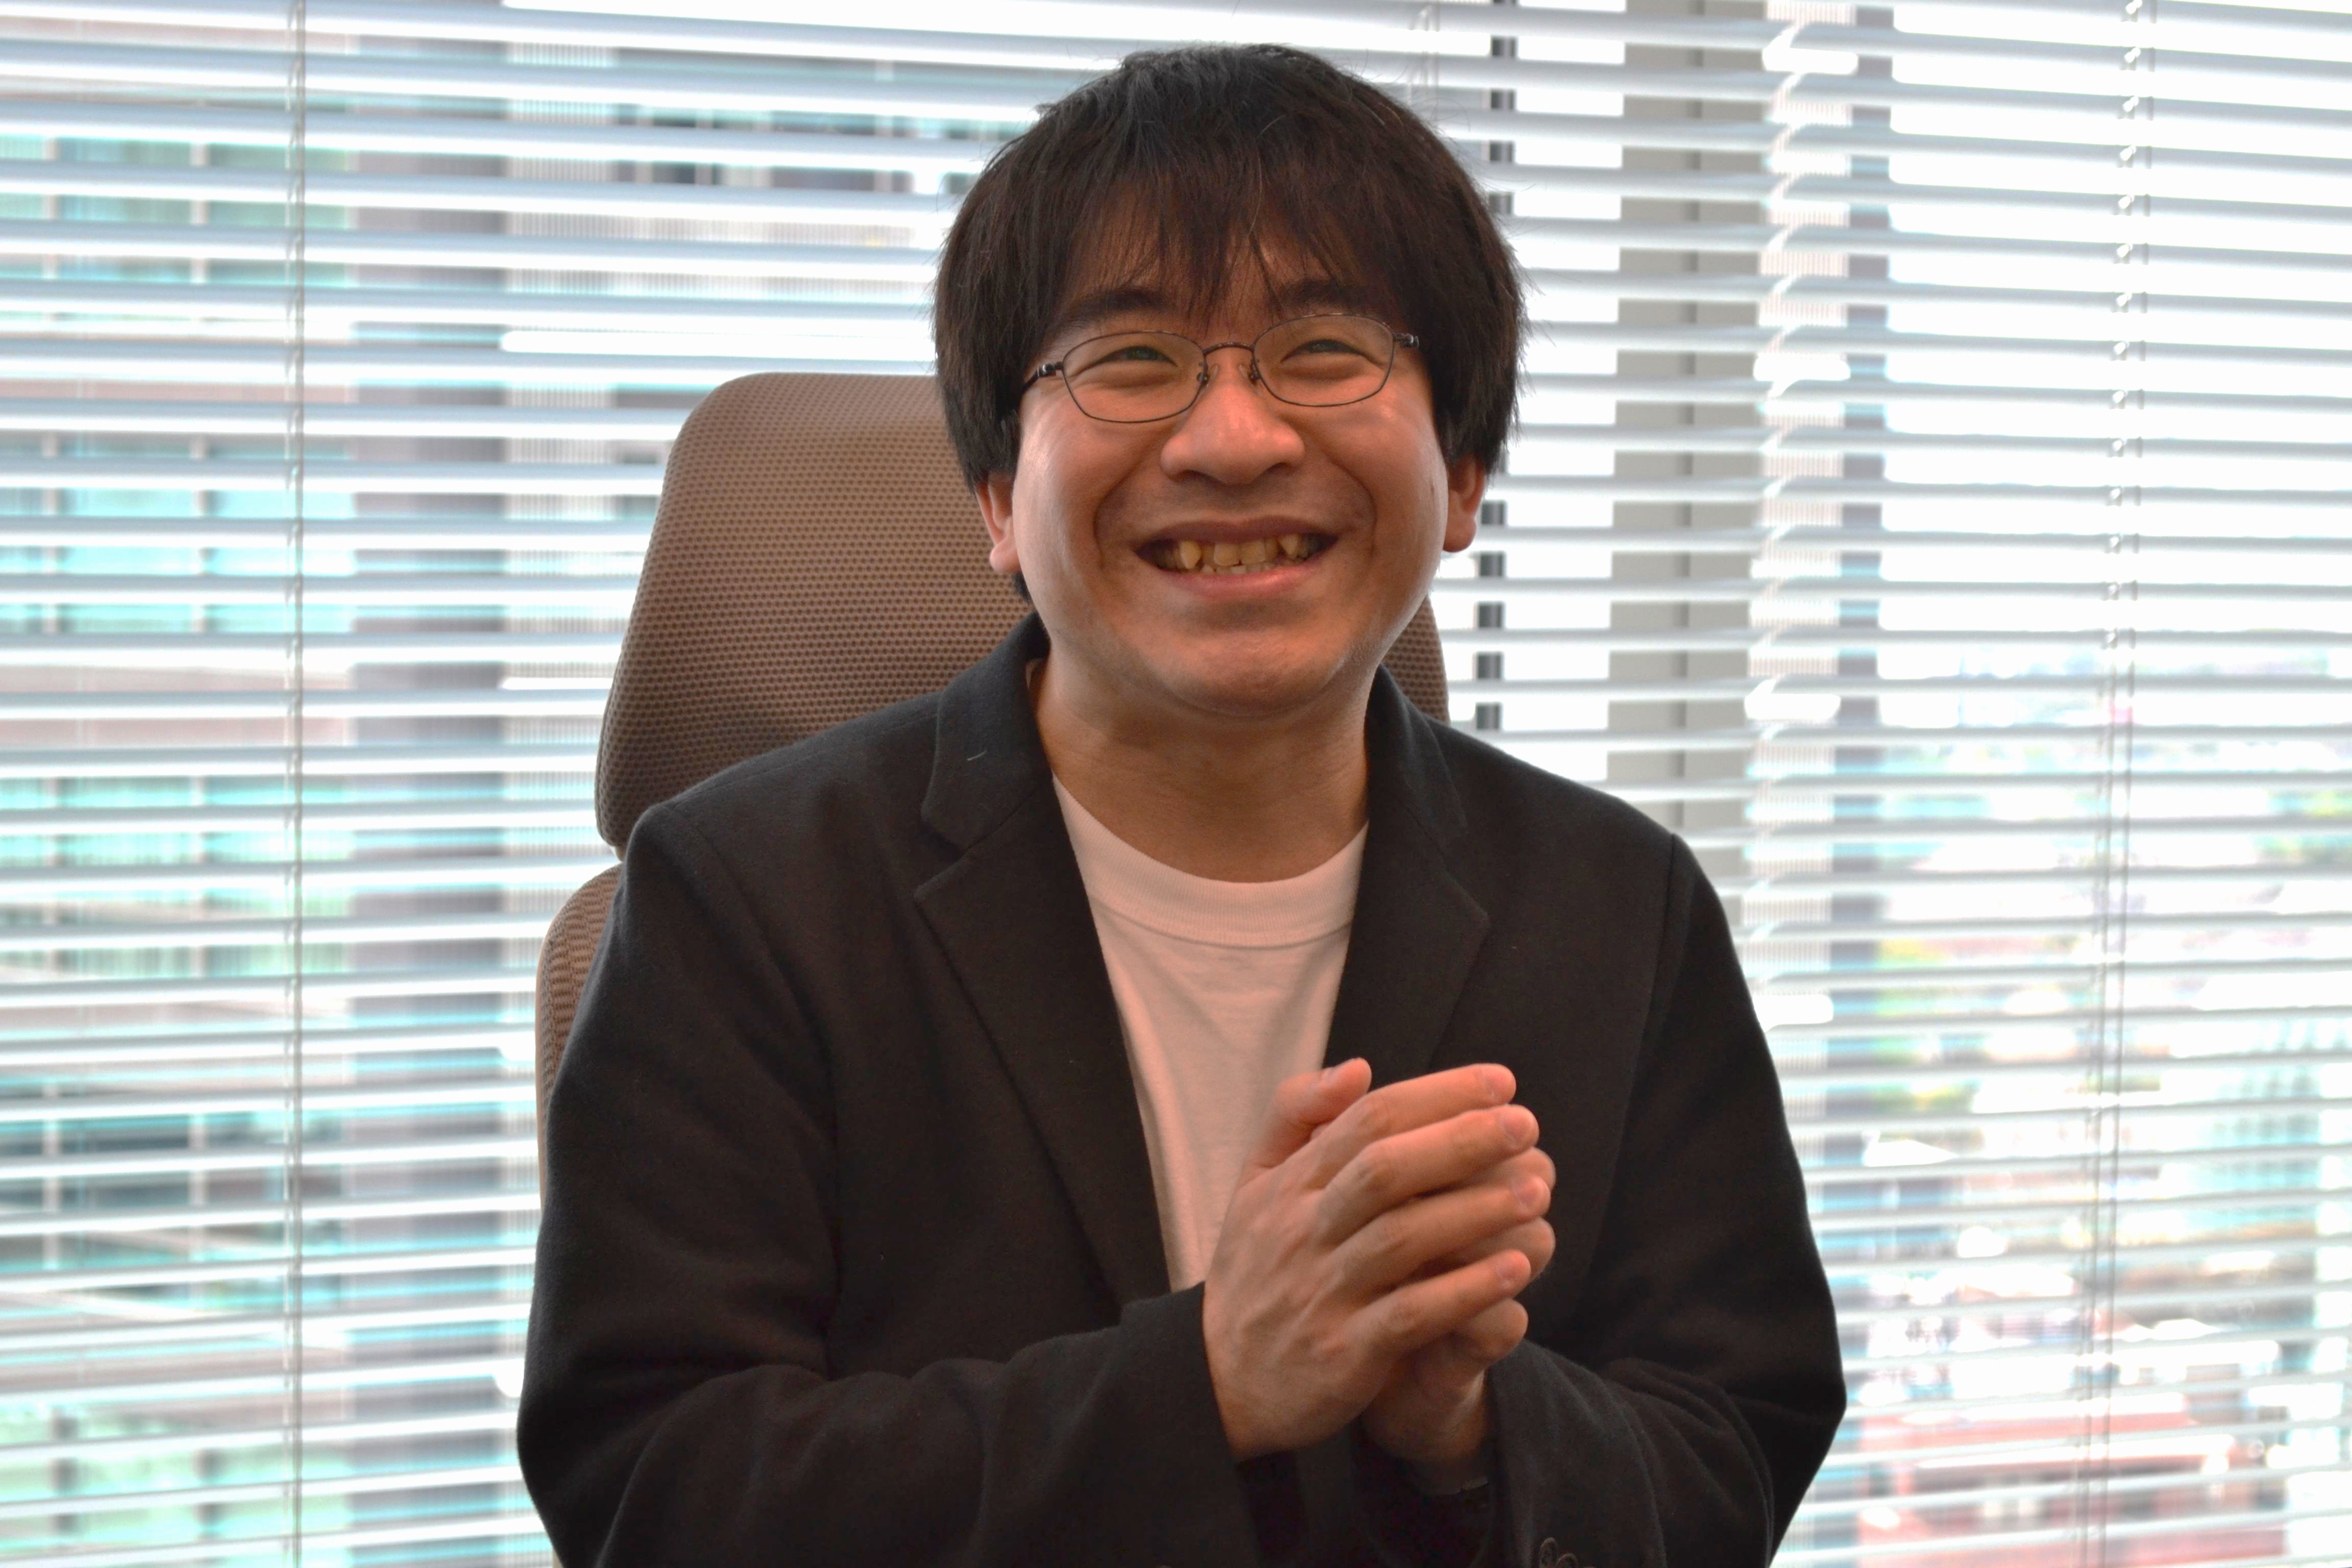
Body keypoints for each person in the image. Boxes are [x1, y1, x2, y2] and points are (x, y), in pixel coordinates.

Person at [519, 43, 1844, 1568]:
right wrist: (1206, 1383)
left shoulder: (1619, 907)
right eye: (1133, 360)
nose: (1233, 440)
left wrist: (1480, 1430)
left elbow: (1734, 1448)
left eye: (1328, 350)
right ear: (998, 497)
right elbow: (656, 1490)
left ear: (1466, 472)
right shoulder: (744, 898)